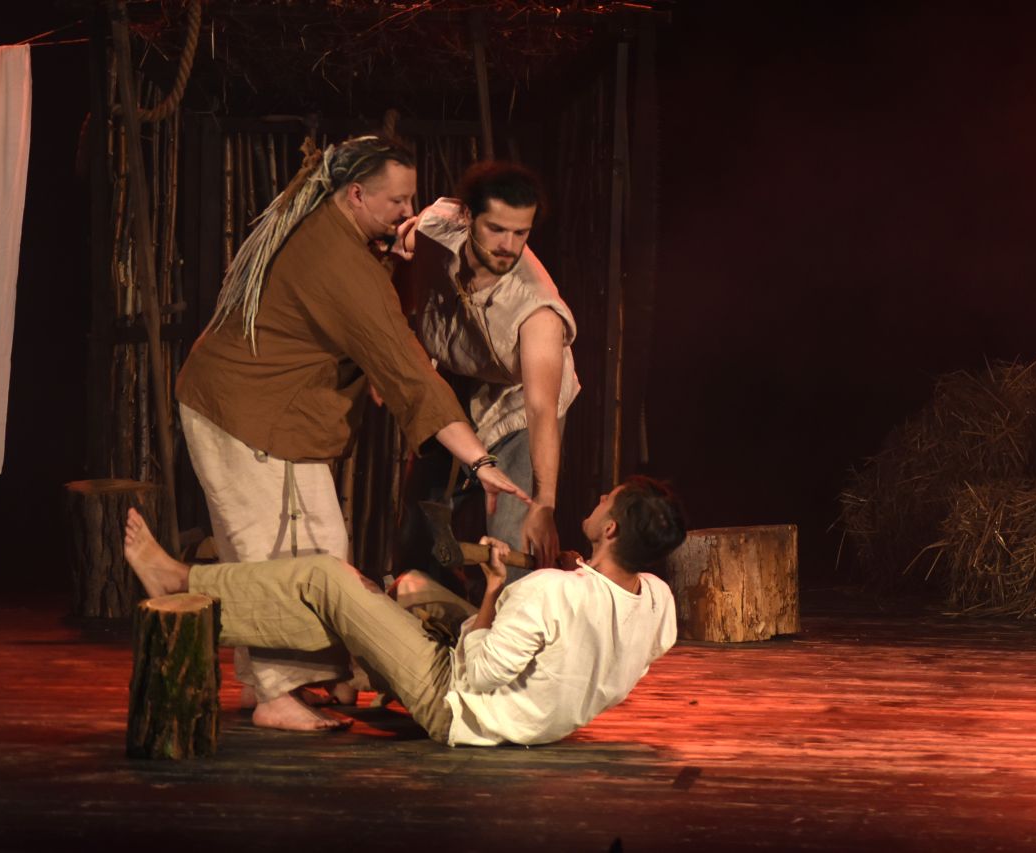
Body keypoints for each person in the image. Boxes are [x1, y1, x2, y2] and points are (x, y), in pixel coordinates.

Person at [175, 135, 528, 732]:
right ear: (357, 194)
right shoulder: (337, 260)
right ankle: (273, 694)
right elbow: (409, 372)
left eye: (411, 198)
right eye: (397, 201)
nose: (406, 211)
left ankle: (295, 677)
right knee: (272, 557)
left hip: (271, 413)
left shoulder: (341, 233)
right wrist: (480, 462)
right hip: (244, 411)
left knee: (318, 549)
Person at [123, 476, 686, 747]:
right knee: (401, 588)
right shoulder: (656, 601)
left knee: (326, 577)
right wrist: (578, 578)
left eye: (606, 501)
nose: (597, 500)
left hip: (456, 704)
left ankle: (181, 582)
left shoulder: (549, 592)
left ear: (610, 529)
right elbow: (604, 637)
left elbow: (478, 673)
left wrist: (494, 590)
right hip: (538, 722)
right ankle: (338, 674)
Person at [397, 162, 579, 578]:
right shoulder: (436, 225)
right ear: (468, 217)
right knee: (418, 527)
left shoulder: (537, 310)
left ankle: (508, 613)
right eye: (496, 229)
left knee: (511, 536)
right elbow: (403, 252)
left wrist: (544, 504)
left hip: (517, 407)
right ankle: (422, 606)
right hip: (454, 382)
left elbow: (540, 408)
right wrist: (393, 337)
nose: (508, 246)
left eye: (520, 233)